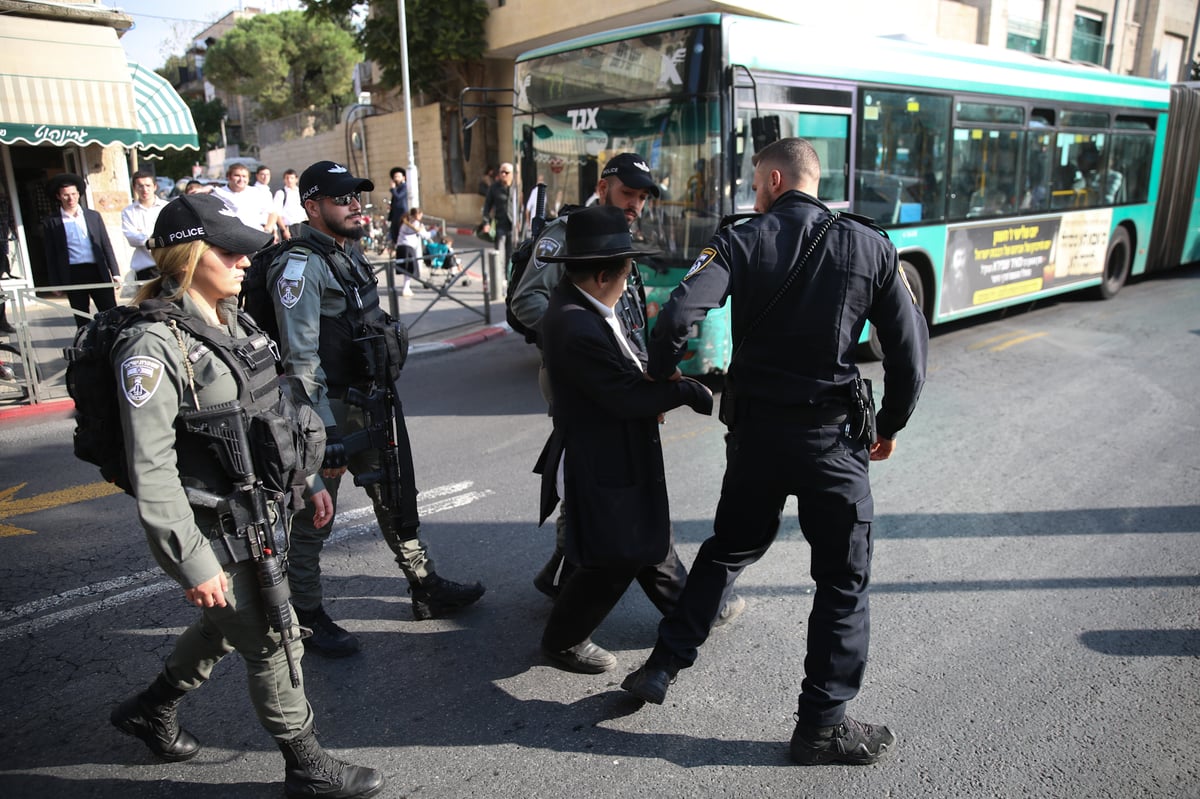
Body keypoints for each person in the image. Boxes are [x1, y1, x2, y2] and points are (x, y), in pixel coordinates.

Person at [621, 138, 928, 766]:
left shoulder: (741, 239)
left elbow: (676, 315)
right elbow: (909, 353)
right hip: (833, 444)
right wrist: (888, 424)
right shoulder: (869, 245)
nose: (754, 192)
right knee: (842, 582)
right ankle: (819, 728)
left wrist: (660, 376)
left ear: (776, 179)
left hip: (756, 437)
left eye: (757, 182)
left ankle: (662, 665)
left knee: (727, 548)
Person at [107, 193, 384, 798]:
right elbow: (150, 468)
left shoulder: (233, 321)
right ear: (188, 256)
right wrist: (192, 560)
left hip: (260, 510)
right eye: (228, 251)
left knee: (226, 625)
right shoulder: (152, 348)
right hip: (210, 523)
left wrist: (307, 481)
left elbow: (271, 413)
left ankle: (149, 709)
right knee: (272, 637)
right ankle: (306, 765)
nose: (242, 262)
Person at [268, 161, 484, 655]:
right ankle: (305, 613)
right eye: (343, 199)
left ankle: (423, 584)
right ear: (312, 207)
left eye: (357, 197)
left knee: (393, 494)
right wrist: (324, 433)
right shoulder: (299, 266)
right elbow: (300, 362)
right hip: (330, 409)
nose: (355, 205)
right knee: (314, 516)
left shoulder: (348, 253)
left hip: (369, 400)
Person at [533, 205, 718, 673]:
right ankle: (562, 640)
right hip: (605, 454)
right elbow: (622, 395)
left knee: (641, 540)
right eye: (625, 271)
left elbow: (625, 372)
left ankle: (692, 610)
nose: (628, 279)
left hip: (615, 448)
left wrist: (656, 380)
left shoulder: (585, 306)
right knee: (616, 553)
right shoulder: (575, 323)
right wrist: (683, 391)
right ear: (601, 276)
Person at [510, 153, 658, 597]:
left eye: (642, 197)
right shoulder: (566, 235)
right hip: (583, 380)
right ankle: (573, 587)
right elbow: (527, 301)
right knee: (590, 481)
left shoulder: (622, 236)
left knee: (591, 482)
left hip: (618, 379)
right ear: (603, 186)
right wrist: (581, 339)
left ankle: (562, 573)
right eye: (628, 192)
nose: (635, 204)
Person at [41, 173, 120, 328]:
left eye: (73, 194)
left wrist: (115, 272)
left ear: (78, 194)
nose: (70, 199)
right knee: (81, 316)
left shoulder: (93, 216)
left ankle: (114, 345)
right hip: (73, 273)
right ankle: (87, 348)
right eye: (66, 195)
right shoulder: (52, 222)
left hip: (97, 270)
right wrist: (55, 283)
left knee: (111, 313)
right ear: (58, 196)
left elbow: (105, 245)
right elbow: (50, 254)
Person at [122, 170, 169, 281]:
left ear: (155, 187)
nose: (145, 190)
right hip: (145, 266)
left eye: (148, 185)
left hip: (167, 263)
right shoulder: (129, 212)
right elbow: (131, 237)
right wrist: (154, 240)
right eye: (140, 186)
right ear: (134, 188)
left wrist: (144, 237)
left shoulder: (166, 207)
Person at [213, 164, 277, 235]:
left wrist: (267, 230)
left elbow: (272, 212)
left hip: (256, 236)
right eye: (237, 175)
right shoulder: (218, 193)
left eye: (244, 176)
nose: (241, 179)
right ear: (228, 177)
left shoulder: (256, 192)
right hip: (230, 238)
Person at [481, 162, 517, 261]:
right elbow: (487, 206)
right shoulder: (494, 188)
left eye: (506, 172)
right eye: (502, 172)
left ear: (512, 174)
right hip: (500, 224)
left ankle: (509, 276)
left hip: (514, 226)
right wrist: (486, 222)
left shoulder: (516, 187)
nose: (503, 174)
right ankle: (499, 275)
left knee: (512, 254)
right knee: (499, 253)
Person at [397, 207, 432, 298]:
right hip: (408, 248)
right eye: (421, 214)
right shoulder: (416, 223)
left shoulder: (405, 222)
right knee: (410, 269)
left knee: (406, 268)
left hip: (400, 247)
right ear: (418, 214)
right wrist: (434, 231)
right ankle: (406, 288)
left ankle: (406, 287)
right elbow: (425, 235)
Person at [273, 169, 306, 241]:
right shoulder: (281, 193)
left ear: (296, 179)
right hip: (289, 228)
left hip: (302, 226)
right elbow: (277, 213)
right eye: (287, 178)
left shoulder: (300, 192)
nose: (289, 180)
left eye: (291, 178)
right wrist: (284, 230)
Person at [386, 167, 408, 254]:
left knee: (400, 235)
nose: (396, 179)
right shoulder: (397, 188)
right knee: (394, 235)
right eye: (395, 177)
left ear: (403, 177)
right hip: (395, 216)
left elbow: (399, 197)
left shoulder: (404, 186)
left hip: (401, 215)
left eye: (398, 176)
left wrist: (392, 189)